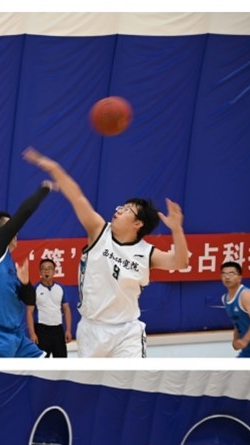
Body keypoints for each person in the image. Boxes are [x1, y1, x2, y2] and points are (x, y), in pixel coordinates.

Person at [22, 147, 190, 358]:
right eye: (121, 206)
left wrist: (177, 229)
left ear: (138, 223)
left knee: (132, 378)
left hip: (126, 332)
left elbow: (180, 263)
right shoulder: (98, 230)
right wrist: (54, 168)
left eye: (127, 210)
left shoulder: (146, 253)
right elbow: (77, 197)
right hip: (91, 330)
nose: (119, 210)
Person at [0, 178, 55, 357]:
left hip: (15, 337)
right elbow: (24, 213)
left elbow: (30, 300)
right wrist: (44, 189)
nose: (16, 232)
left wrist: (26, 283)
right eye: (10, 227)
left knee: (48, 369)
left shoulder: (7, 264)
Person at [26, 257, 72, 357]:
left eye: (49, 268)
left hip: (58, 330)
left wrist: (68, 330)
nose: (46, 271)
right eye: (44, 268)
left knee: (61, 361)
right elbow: (29, 312)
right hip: (41, 330)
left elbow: (66, 309)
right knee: (42, 361)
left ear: (54, 271)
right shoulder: (34, 289)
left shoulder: (60, 288)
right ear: (40, 272)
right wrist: (32, 333)